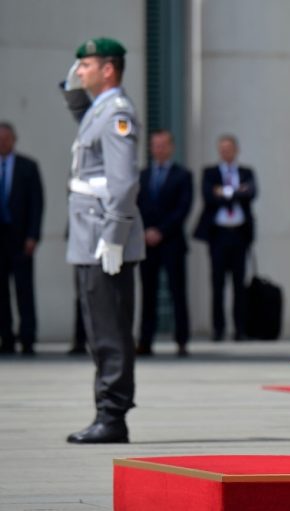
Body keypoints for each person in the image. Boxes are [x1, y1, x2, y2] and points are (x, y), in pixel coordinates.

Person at [59, 37, 144, 443]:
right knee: (98, 329)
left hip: (103, 238)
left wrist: (114, 236)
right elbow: (78, 109)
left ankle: (112, 417)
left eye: (86, 64)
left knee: (110, 331)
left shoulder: (116, 113)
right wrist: (73, 81)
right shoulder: (99, 109)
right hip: (89, 235)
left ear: (108, 69)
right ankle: (107, 413)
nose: (80, 70)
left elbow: (123, 182)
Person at [193, 134, 257, 341]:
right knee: (217, 283)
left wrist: (224, 192)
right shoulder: (210, 173)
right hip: (218, 235)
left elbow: (251, 193)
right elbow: (209, 196)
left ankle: (240, 329)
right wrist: (236, 192)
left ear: (236, 150)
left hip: (239, 234)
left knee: (239, 284)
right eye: (222, 149)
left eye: (229, 149)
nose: (225, 152)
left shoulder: (246, 172)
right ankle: (218, 329)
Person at [137, 129, 193, 356]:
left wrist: (161, 231)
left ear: (171, 148)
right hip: (146, 244)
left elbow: (183, 208)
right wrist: (145, 231)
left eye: (163, 145)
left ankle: (181, 340)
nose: (159, 149)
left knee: (177, 292)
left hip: (172, 243)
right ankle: (145, 340)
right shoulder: (142, 176)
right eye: (155, 145)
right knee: (147, 293)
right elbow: (136, 206)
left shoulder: (183, 175)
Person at [0, 122, 44, 355]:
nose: (2, 143)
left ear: (14, 140)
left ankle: (27, 337)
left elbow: (37, 204)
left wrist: (33, 235)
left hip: (20, 239)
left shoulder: (28, 167)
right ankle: (5, 337)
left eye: (6, 139)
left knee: (24, 290)